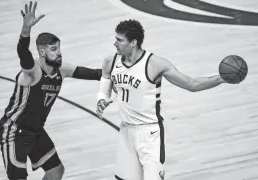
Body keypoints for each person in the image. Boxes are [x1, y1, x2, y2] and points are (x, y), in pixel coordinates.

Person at [96, 19, 230, 180]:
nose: (114, 43)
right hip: (125, 131)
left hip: (150, 133)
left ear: (133, 42)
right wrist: (102, 97)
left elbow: (191, 84)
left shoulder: (155, 64)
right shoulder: (111, 60)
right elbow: (105, 78)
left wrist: (220, 79)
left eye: (119, 40)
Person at [0, 1, 102, 180]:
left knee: (56, 171)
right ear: (42, 52)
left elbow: (94, 74)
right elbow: (23, 52)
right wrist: (26, 30)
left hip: (36, 131)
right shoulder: (32, 71)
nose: (59, 52)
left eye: (59, 47)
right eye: (53, 49)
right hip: (15, 131)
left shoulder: (62, 69)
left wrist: (121, 71)